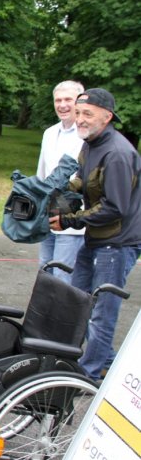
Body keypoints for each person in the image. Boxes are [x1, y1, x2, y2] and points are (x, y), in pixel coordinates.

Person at [49, 88, 141, 381]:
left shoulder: (117, 153)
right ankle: (106, 361)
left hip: (118, 243)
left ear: (107, 116)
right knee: (78, 301)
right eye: (78, 113)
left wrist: (70, 220)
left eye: (87, 114)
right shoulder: (89, 144)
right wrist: (56, 192)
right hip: (96, 238)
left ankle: (87, 375)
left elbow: (115, 206)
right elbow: (81, 181)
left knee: (102, 311)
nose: (80, 119)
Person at [36, 81, 86, 282]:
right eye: (58, 100)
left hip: (72, 218)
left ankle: (62, 314)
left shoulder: (86, 136)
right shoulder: (50, 133)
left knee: (62, 275)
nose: (62, 105)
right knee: (45, 269)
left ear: (79, 103)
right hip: (48, 213)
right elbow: (42, 173)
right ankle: (45, 314)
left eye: (68, 100)